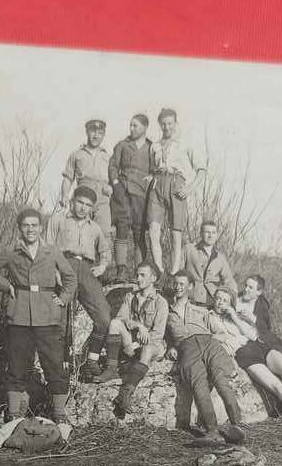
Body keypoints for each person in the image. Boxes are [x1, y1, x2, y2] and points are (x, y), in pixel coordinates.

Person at [0, 207, 76, 427]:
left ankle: (59, 414)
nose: (30, 229)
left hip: (48, 317)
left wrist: (63, 299)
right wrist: (6, 286)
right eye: (26, 225)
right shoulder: (11, 251)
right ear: (20, 228)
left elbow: (70, 277)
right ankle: (13, 414)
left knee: (54, 366)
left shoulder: (52, 251)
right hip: (20, 315)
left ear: (41, 228)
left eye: (34, 225)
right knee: (17, 366)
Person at [212, 278, 282, 431]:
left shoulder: (235, 313)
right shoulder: (209, 316)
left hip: (258, 345)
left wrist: (234, 315)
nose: (220, 302)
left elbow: (252, 335)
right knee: (276, 386)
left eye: (224, 300)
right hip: (244, 354)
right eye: (218, 299)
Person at [166, 272, 245, 444]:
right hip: (186, 348)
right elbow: (166, 338)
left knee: (220, 380)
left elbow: (221, 333)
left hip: (209, 343)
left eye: (182, 284)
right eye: (176, 284)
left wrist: (209, 339)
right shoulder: (168, 313)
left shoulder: (201, 309)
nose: (178, 287)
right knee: (198, 384)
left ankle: (237, 426)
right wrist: (172, 347)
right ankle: (212, 432)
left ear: (190, 287)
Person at [46, 185, 112, 379]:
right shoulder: (58, 220)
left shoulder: (95, 228)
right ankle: (59, 365)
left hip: (87, 269)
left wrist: (102, 266)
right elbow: (47, 248)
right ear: (73, 201)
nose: (83, 208)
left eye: (88, 205)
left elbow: (105, 252)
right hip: (64, 265)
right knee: (61, 319)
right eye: (80, 203)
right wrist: (54, 270)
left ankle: (92, 359)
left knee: (104, 316)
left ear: (92, 208)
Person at [95, 262, 169, 417]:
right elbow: (121, 318)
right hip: (132, 340)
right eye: (137, 274)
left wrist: (136, 345)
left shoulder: (161, 302)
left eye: (143, 275)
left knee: (148, 350)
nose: (138, 278)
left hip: (152, 344)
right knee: (114, 323)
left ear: (153, 278)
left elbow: (158, 334)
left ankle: (126, 393)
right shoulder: (130, 297)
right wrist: (138, 326)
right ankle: (111, 369)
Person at [146, 108, 206, 276]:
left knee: (175, 233)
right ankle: (158, 271)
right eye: (163, 124)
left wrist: (189, 188)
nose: (167, 127)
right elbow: (152, 167)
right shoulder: (155, 146)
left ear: (176, 123)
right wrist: (150, 177)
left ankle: (174, 273)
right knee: (153, 231)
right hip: (157, 185)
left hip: (176, 184)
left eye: (170, 123)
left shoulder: (185, 144)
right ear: (159, 125)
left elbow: (202, 169)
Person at [108, 114, 152, 280]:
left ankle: (139, 272)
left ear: (145, 127)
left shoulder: (151, 147)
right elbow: (113, 165)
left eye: (136, 126)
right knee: (122, 227)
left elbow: (155, 169)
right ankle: (121, 270)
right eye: (131, 125)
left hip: (142, 195)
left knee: (139, 232)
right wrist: (116, 183)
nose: (132, 129)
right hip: (123, 192)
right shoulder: (122, 145)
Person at [60, 118, 113, 244]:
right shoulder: (77, 154)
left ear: (104, 135)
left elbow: (114, 179)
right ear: (87, 132)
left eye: (100, 133)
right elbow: (68, 178)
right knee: (80, 230)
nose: (96, 136)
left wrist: (111, 188)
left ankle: (104, 263)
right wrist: (64, 196)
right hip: (83, 197)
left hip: (103, 199)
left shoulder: (108, 156)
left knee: (104, 233)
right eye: (93, 132)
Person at [183, 221, 238, 306]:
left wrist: (233, 299)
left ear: (216, 235)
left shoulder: (220, 257)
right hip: (190, 297)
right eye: (207, 232)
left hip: (211, 300)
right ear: (201, 233)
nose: (210, 236)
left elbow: (229, 280)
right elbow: (178, 272)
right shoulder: (189, 249)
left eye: (213, 232)